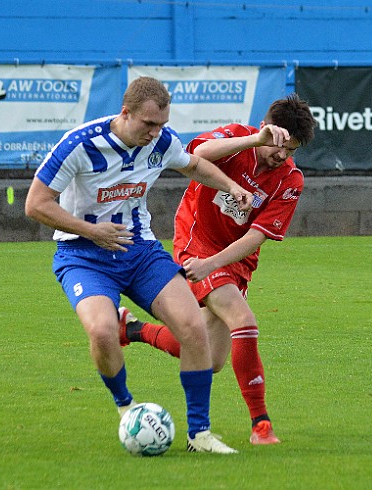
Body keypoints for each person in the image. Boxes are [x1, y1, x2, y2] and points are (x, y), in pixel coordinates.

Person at [25, 76, 255, 454]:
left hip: (140, 251)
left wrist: (231, 186)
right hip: (83, 254)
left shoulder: (162, 141)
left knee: (193, 327)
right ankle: (127, 409)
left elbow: (193, 164)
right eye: (148, 124)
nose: (156, 132)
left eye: (161, 124)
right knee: (101, 331)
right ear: (125, 112)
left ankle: (199, 435)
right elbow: (36, 204)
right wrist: (91, 230)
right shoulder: (80, 144)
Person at [119, 93, 316, 445]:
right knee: (245, 321)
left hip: (231, 261)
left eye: (292, 149)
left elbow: (257, 236)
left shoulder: (290, 180)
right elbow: (194, 157)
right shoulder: (236, 137)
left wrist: (216, 263)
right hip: (195, 243)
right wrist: (256, 141)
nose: (282, 155)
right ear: (264, 129)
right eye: (278, 145)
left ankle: (132, 330)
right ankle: (261, 426)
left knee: (210, 359)